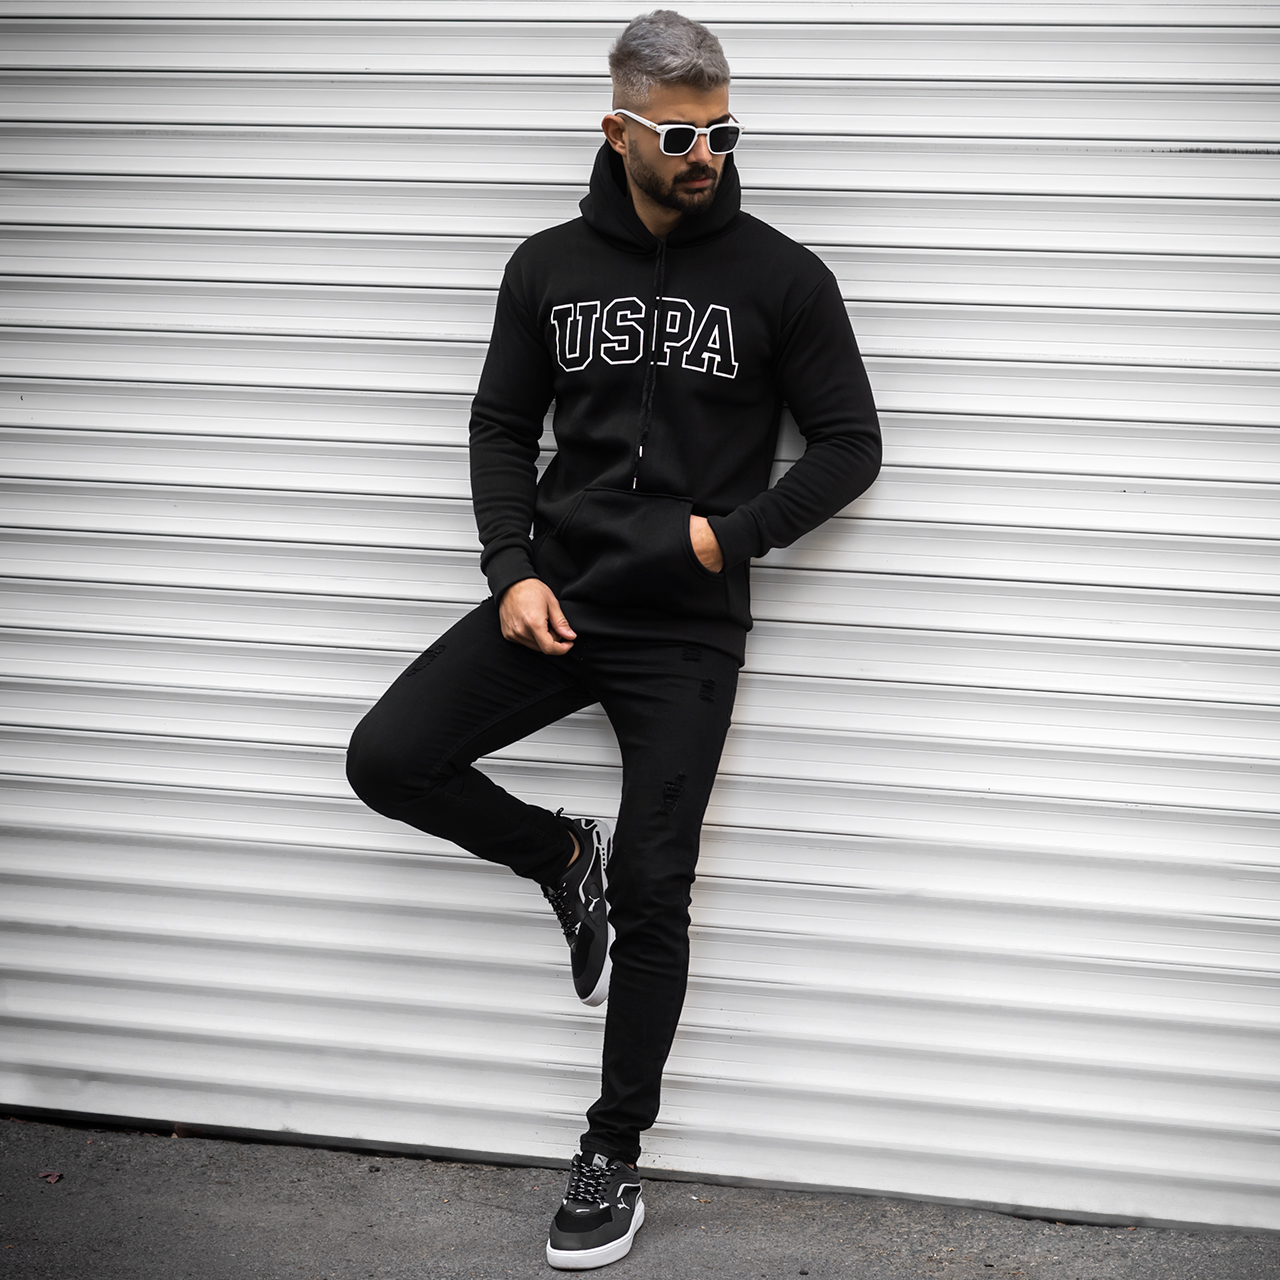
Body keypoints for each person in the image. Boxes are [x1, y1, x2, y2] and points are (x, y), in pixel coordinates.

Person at [345, 8, 880, 1269]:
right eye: (680, 135)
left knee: (655, 890)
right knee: (389, 757)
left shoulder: (782, 277)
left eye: (722, 133)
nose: (705, 156)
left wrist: (723, 540)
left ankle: (611, 1149)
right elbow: (498, 424)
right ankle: (555, 851)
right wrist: (510, 567)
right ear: (617, 128)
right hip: (561, 597)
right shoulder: (545, 266)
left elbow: (851, 445)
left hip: (685, 628)